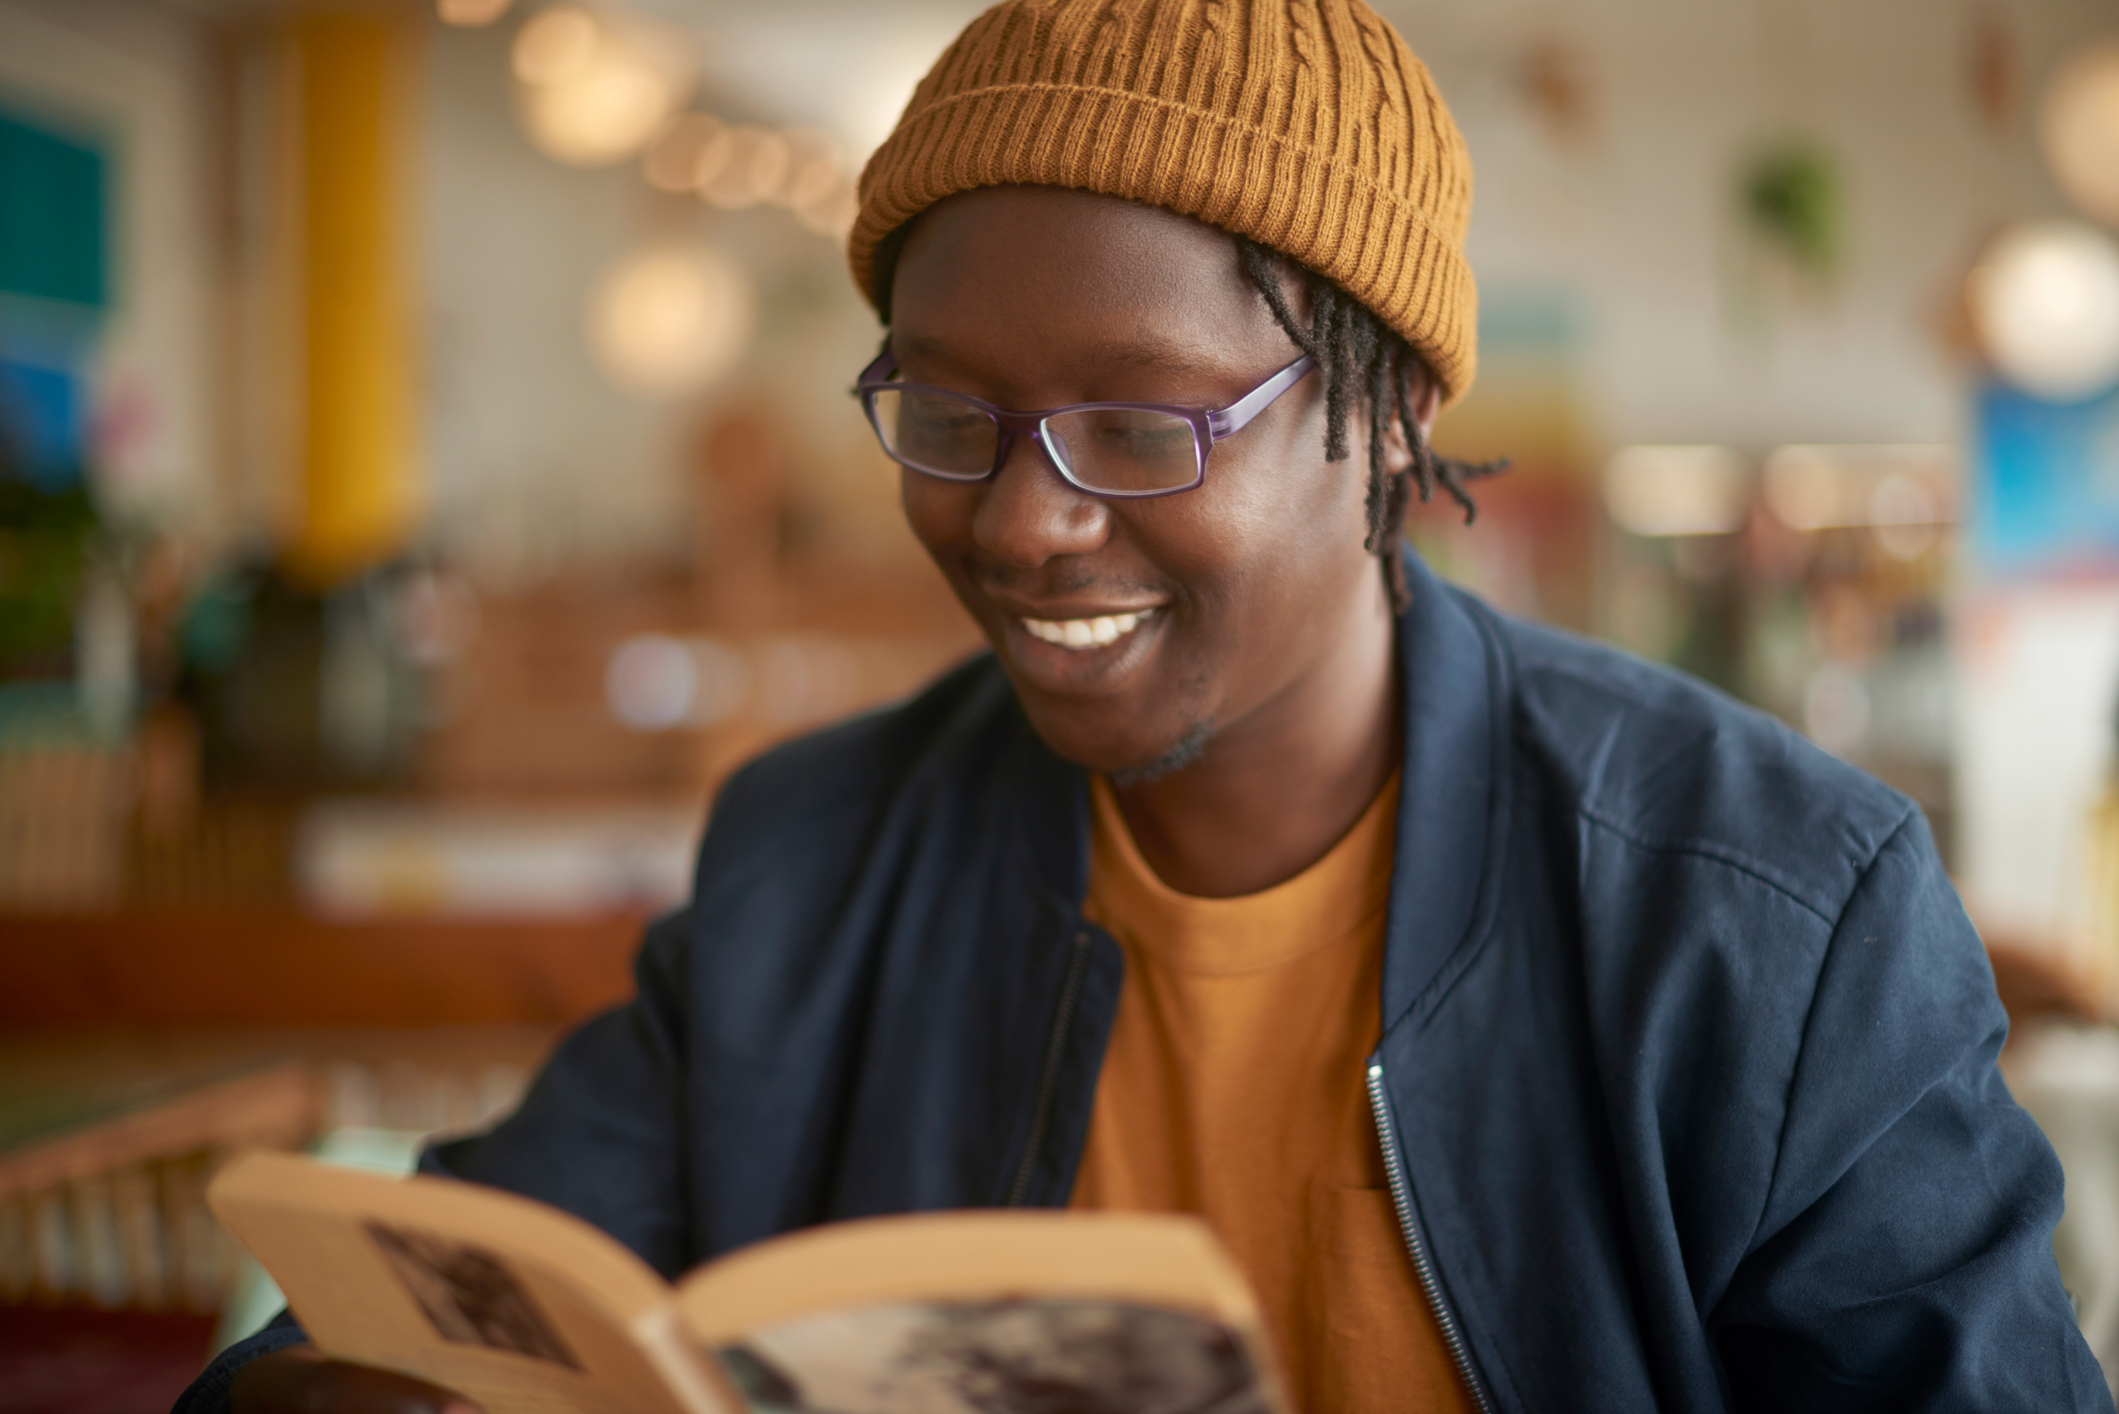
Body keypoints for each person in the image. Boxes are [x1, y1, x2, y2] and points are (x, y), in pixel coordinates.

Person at [182, 2, 2109, 1410]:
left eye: (1139, 424)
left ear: (1390, 416)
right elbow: (459, 1285)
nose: (1023, 520)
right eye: (949, 411)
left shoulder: (1770, 920)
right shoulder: (816, 861)